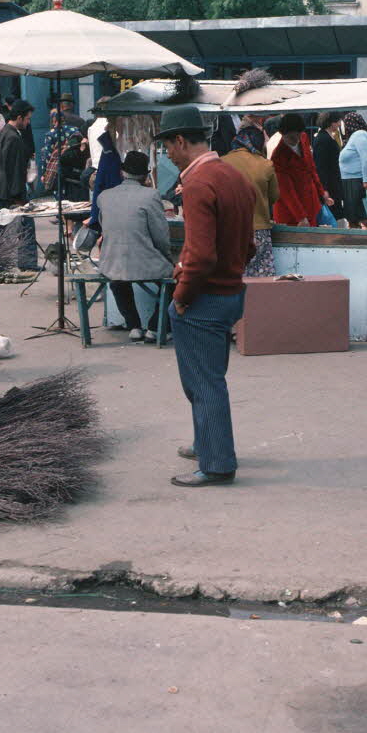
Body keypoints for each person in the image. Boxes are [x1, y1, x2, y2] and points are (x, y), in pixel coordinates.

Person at [155, 105, 256, 487]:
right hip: (231, 291)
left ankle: (216, 464)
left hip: (205, 296)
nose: (167, 153)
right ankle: (207, 443)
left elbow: (199, 255)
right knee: (208, 377)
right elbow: (248, 245)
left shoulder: (197, 183)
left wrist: (181, 296)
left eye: (167, 145)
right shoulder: (234, 175)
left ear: (181, 141)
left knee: (204, 382)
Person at [96, 151, 173, 342]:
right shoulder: (151, 195)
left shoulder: (104, 197)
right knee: (177, 280)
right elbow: (160, 236)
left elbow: (105, 229)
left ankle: (134, 326)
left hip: (111, 263)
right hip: (143, 261)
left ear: (122, 172)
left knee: (117, 280)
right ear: (146, 176)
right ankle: (155, 327)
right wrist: (168, 257)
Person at [0, 99, 39, 272]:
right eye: (27, 119)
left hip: (0, 185)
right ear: (19, 117)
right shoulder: (14, 137)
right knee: (21, 225)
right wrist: (19, 197)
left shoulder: (2, 133)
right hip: (10, 189)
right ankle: (27, 262)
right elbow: (15, 169)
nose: (28, 122)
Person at [220, 125, 278, 277]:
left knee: (231, 277)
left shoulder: (221, 162)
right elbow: (274, 196)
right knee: (260, 279)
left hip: (229, 230)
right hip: (259, 232)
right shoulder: (266, 164)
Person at [271, 113, 329, 227]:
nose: (296, 139)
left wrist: (321, 191)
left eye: (298, 135)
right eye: (292, 137)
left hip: (310, 203)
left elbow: (311, 168)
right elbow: (286, 190)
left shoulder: (303, 137)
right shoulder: (278, 157)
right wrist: (301, 217)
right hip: (291, 212)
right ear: (282, 134)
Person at [338, 112, 367, 228]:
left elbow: (366, 158)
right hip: (353, 180)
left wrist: (366, 180)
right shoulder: (356, 137)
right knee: (355, 217)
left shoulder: (359, 135)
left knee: (363, 216)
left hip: (358, 181)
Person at [312, 112, 344, 221]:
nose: (340, 124)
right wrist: (324, 188)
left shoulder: (326, 137)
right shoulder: (323, 139)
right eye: (338, 121)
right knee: (332, 213)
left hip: (332, 180)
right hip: (329, 183)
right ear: (332, 123)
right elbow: (321, 166)